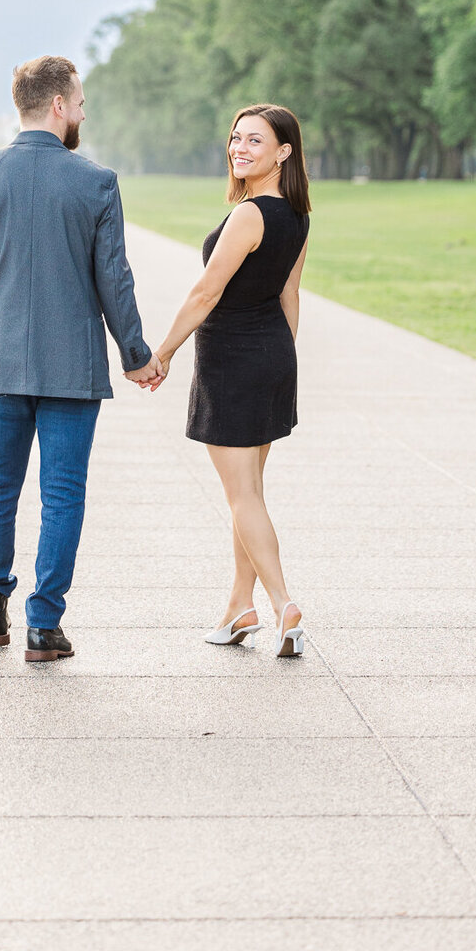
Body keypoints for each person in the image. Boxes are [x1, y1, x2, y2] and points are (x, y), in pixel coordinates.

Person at [0, 54, 161, 662]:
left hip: (2, 363)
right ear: (59, 105)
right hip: (72, 366)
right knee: (62, 495)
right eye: (82, 103)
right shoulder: (95, 182)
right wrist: (136, 354)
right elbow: (113, 280)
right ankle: (44, 622)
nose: (84, 113)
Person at [148, 103, 311, 658]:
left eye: (255, 142)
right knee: (250, 495)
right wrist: (281, 361)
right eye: (236, 139)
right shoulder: (298, 215)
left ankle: (284, 603)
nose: (240, 149)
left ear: (282, 152)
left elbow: (205, 293)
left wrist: (162, 352)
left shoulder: (250, 215)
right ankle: (240, 605)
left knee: (242, 496)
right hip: (270, 356)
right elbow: (290, 296)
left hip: (233, 362)